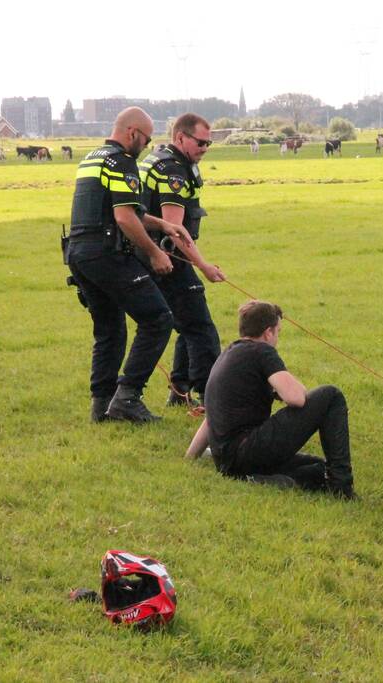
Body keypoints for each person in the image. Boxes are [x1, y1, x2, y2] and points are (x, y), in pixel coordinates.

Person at [66, 106, 194, 423]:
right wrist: (154, 252)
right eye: (147, 139)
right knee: (158, 318)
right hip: (107, 254)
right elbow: (123, 218)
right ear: (132, 132)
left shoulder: (92, 158)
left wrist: (163, 225)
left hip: (79, 254)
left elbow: (124, 210)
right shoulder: (122, 162)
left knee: (109, 330)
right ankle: (128, 397)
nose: (147, 146)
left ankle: (102, 406)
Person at [189, 300, 356, 497]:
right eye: (278, 332)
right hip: (247, 450)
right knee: (330, 395)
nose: (277, 338)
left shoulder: (228, 354)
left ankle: (263, 480)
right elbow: (297, 398)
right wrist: (280, 388)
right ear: (268, 332)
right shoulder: (262, 351)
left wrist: (190, 456)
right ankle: (342, 488)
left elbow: (212, 417)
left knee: (320, 468)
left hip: (227, 460)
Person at [138, 113, 225, 409]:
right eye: (200, 142)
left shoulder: (159, 158)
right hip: (166, 256)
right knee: (201, 328)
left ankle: (179, 390)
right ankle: (210, 396)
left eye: (209, 143)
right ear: (180, 138)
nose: (205, 148)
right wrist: (204, 266)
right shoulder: (173, 169)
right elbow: (175, 230)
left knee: (188, 322)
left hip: (149, 253)